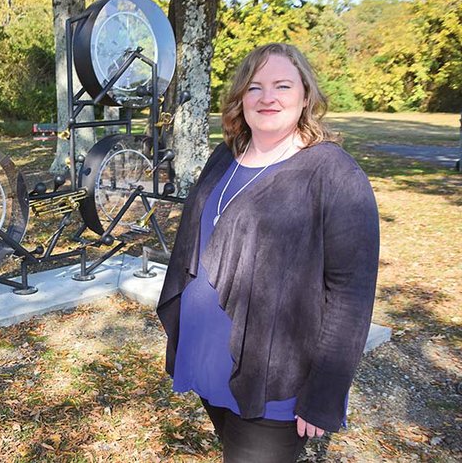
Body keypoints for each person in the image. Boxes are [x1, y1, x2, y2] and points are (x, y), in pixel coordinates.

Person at [156, 43, 379, 462]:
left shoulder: (333, 174)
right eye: (255, 87)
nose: (268, 97)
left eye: (282, 85)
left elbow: (351, 293)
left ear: (306, 96)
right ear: (241, 97)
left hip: (275, 380)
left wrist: (324, 392)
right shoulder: (225, 157)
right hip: (209, 362)